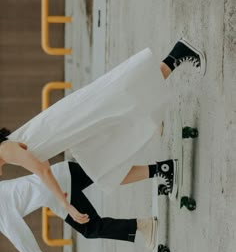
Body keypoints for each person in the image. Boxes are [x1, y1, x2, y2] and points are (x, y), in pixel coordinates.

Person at [0, 38, 206, 225]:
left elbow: (43, 171)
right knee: (104, 172)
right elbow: (43, 164)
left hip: (73, 120)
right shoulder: (8, 153)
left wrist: (65, 205)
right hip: (75, 131)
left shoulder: (4, 150)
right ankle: (163, 169)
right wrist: (60, 196)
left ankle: (177, 54)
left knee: (124, 96)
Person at [0, 160, 170, 252]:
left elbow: (18, 235)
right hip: (58, 175)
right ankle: (161, 169)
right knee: (108, 177)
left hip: (58, 189)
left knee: (92, 227)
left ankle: (143, 225)